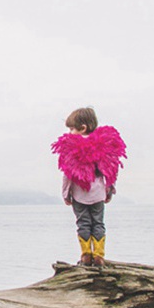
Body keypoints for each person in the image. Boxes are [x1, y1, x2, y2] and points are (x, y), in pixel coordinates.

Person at [50, 107, 127, 267]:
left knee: (83, 223)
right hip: (98, 194)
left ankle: (86, 256)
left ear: (83, 128)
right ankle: (98, 256)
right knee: (98, 223)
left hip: (79, 195)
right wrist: (109, 190)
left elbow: (68, 174)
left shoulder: (72, 146)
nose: (70, 132)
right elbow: (110, 170)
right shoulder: (103, 145)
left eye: (72, 128)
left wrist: (65, 193)